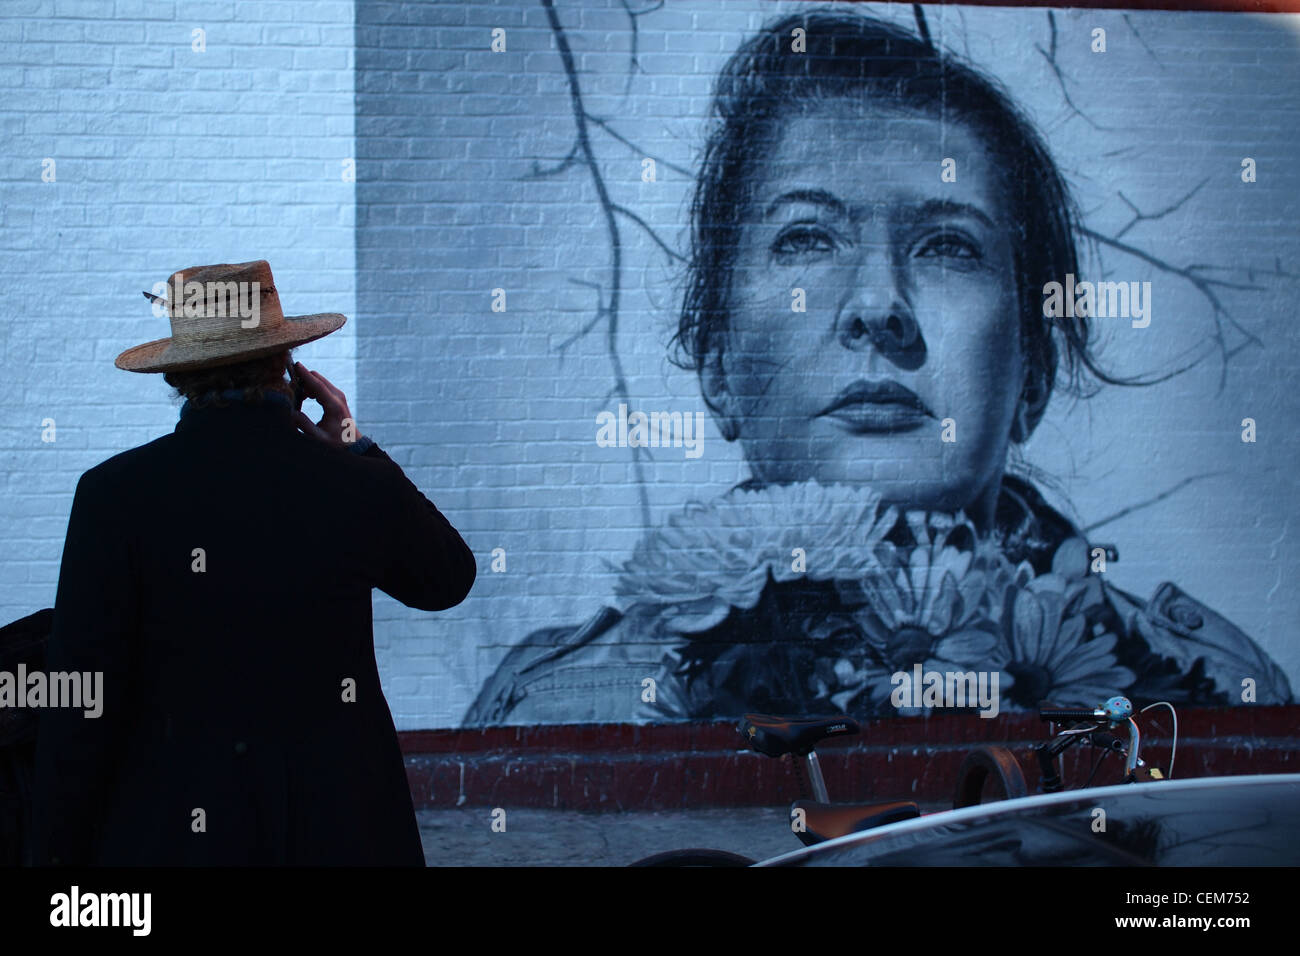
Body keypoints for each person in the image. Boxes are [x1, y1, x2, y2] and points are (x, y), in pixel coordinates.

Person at [465, 10, 1291, 725]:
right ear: (718, 368)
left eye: (947, 246)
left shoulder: (1209, 696)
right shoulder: (562, 706)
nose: (876, 306)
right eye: (807, 238)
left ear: (1033, 375)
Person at [30, 259, 476, 865]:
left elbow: (81, 702)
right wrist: (355, 445)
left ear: (180, 378)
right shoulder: (346, 482)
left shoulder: (113, 493)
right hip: (338, 826)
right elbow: (447, 578)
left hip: (173, 831)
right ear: (288, 369)